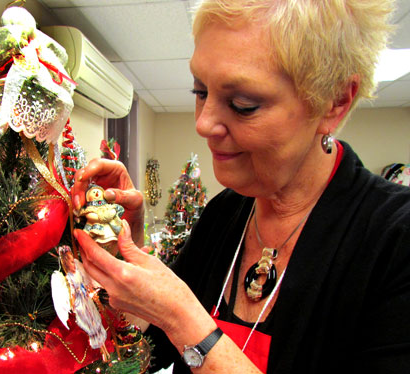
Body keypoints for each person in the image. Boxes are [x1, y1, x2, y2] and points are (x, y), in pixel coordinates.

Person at [71, 0, 410, 373]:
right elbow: (153, 350)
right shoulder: (224, 214)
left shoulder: (394, 240)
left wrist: (184, 319)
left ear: (334, 103)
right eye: (200, 92)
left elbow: (181, 328)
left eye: (242, 104)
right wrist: (125, 253)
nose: (202, 123)